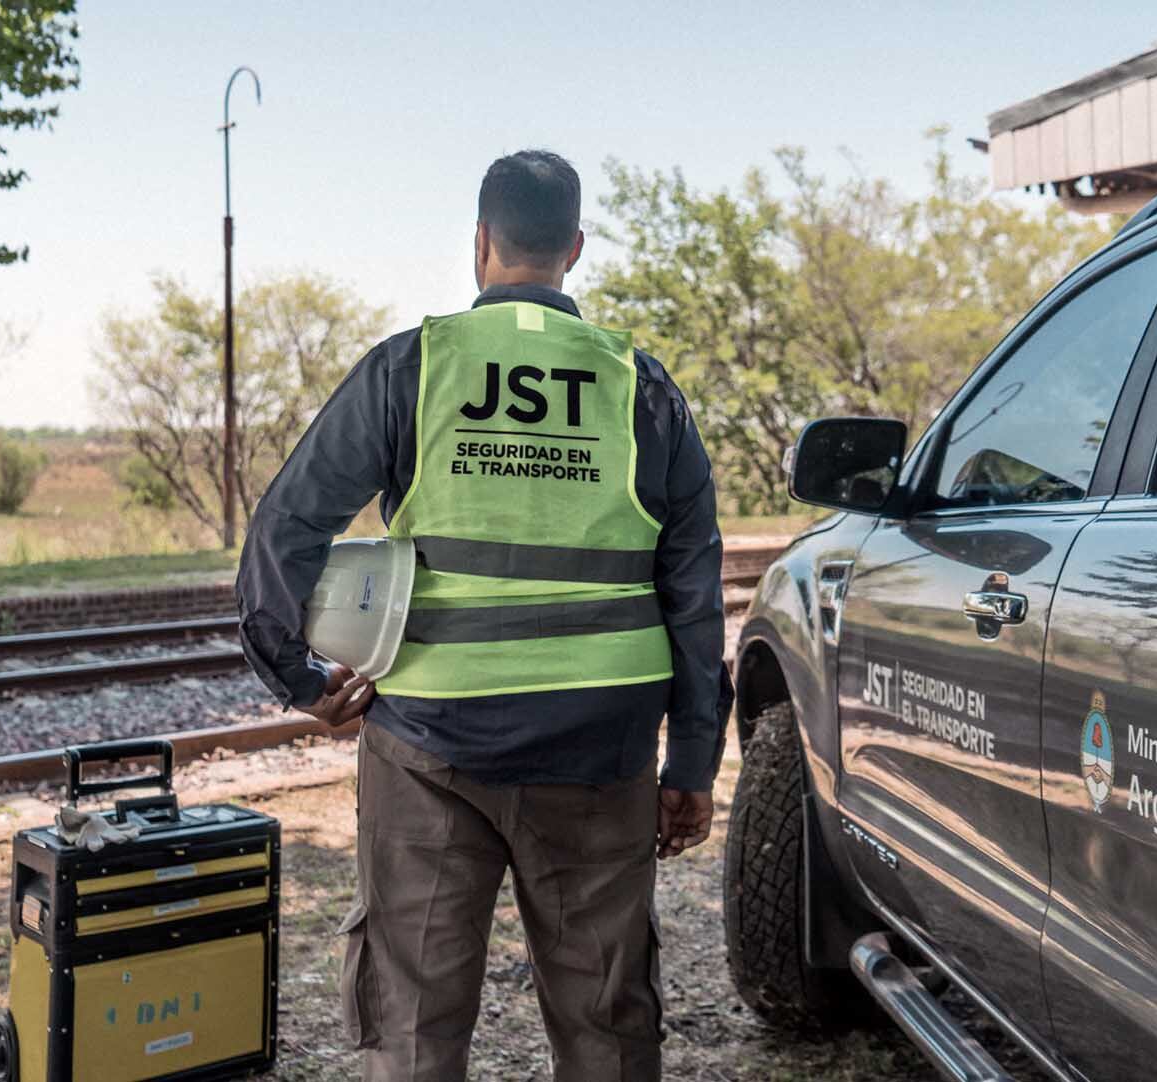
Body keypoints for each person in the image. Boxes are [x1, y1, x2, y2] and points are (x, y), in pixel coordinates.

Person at [237, 148, 731, 1082]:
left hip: (430, 747)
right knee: (607, 1026)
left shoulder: (412, 368)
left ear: (480, 243)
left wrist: (298, 678)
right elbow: (695, 595)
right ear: (574, 249)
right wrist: (692, 761)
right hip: (602, 751)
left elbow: (285, 526)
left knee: (413, 1028)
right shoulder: (641, 386)